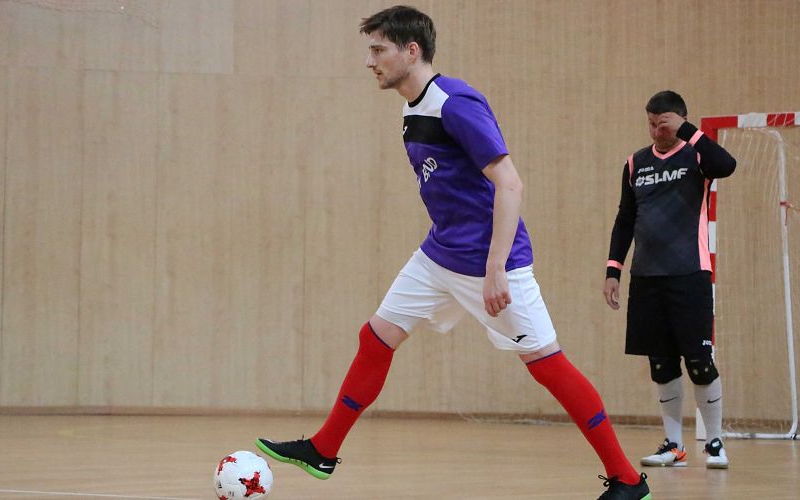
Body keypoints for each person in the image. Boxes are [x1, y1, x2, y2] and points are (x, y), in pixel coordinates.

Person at [256, 6, 650, 499]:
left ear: (411, 50)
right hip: (440, 254)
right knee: (376, 338)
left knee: (547, 364)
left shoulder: (455, 103)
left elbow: (510, 183)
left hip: (491, 262)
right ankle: (323, 449)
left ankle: (628, 479)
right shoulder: (411, 109)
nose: (369, 61)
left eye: (378, 49)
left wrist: (496, 268)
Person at [603, 90, 736, 470]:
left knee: (699, 361)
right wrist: (613, 269)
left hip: (690, 274)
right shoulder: (635, 163)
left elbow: (727, 165)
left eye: (663, 124)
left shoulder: (697, 155)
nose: (655, 131)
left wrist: (688, 132)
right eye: (651, 123)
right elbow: (625, 219)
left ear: (679, 120)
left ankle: (714, 443)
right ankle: (673, 445)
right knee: (661, 363)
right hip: (647, 277)